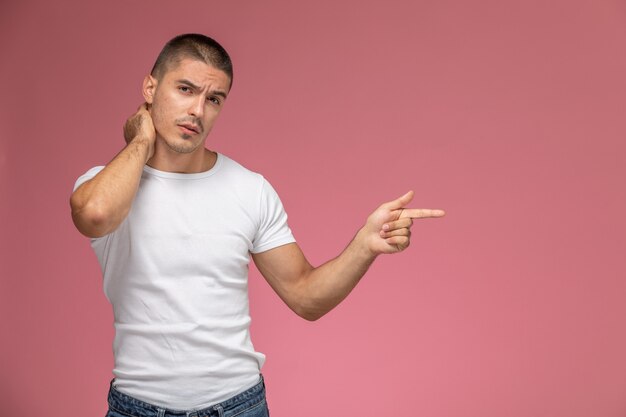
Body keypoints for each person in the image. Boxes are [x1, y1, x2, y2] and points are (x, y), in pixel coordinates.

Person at [70, 33, 445, 417]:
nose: (198, 110)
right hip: (136, 408)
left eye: (213, 99)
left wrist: (364, 245)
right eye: (185, 89)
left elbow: (305, 297)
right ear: (150, 87)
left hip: (238, 406)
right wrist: (141, 139)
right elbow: (95, 215)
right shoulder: (103, 184)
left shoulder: (249, 189)